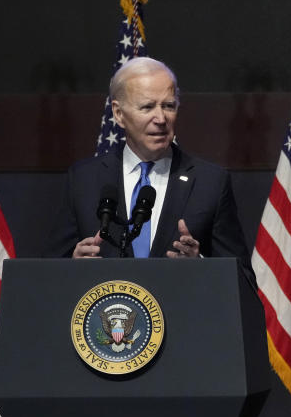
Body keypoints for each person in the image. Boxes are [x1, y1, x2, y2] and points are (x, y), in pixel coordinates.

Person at [47, 57, 252, 276]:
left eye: (168, 106)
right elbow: (45, 276)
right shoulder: (83, 180)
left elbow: (243, 280)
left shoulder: (210, 182)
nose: (161, 118)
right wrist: (71, 265)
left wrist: (200, 266)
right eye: (147, 107)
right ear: (118, 114)